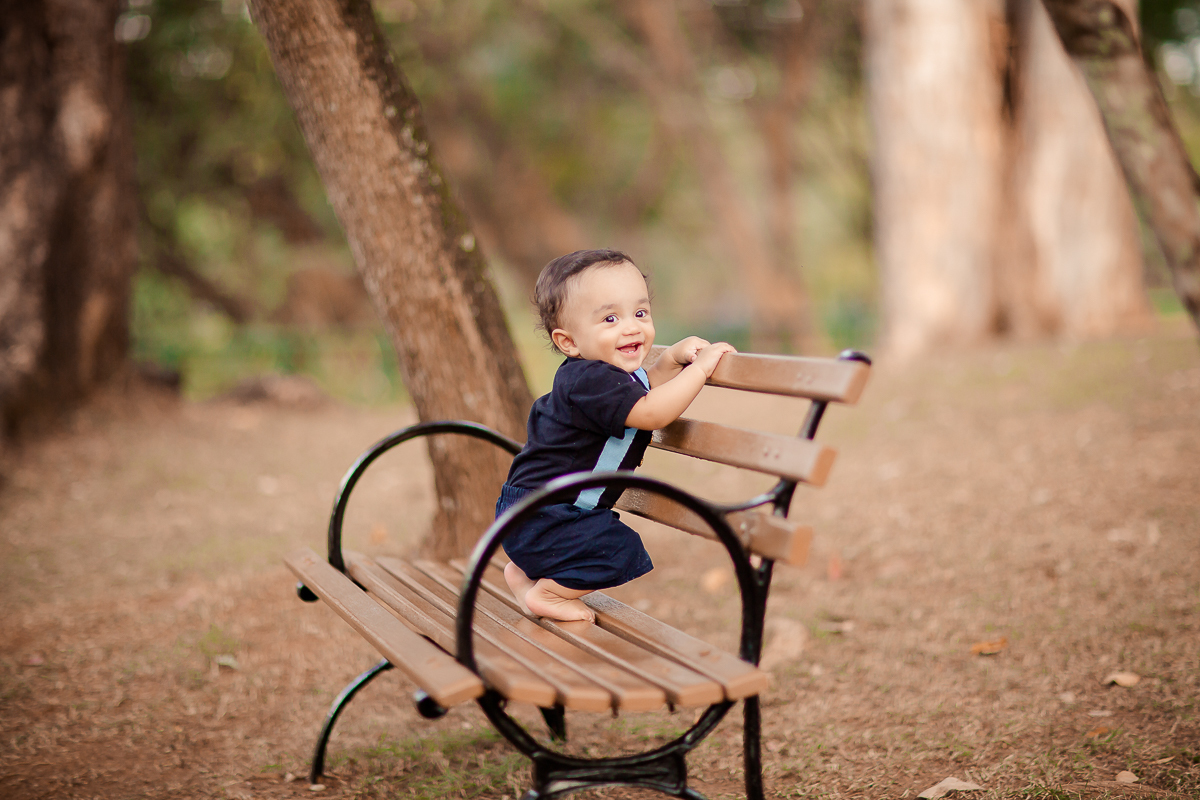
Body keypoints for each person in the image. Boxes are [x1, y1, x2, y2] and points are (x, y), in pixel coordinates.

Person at [495, 249, 736, 622]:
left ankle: (524, 571)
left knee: (608, 542)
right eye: (610, 318)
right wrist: (700, 370)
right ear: (569, 342)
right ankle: (549, 592)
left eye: (640, 313)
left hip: (532, 515)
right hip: (546, 518)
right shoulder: (589, 380)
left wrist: (671, 359)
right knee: (618, 550)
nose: (631, 326)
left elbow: (642, 391)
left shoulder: (600, 378)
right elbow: (652, 411)